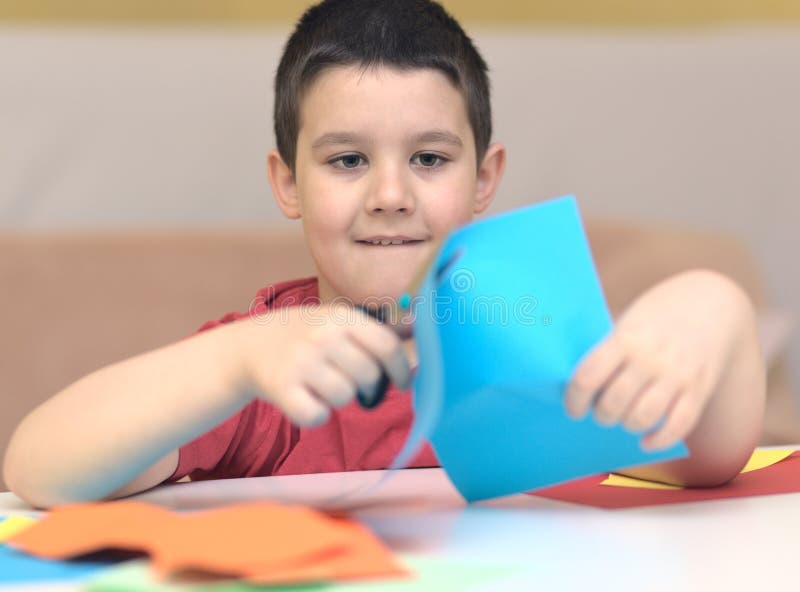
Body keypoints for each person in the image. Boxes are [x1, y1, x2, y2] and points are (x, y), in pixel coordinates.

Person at [3, 0, 765, 509]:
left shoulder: (529, 335)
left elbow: (708, 462)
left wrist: (711, 309)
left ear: (484, 179)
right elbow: (36, 469)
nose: (390, 194)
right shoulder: (266, 369)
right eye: (346, 162)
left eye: (430, 159)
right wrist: (232, 363)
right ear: (287, 181)